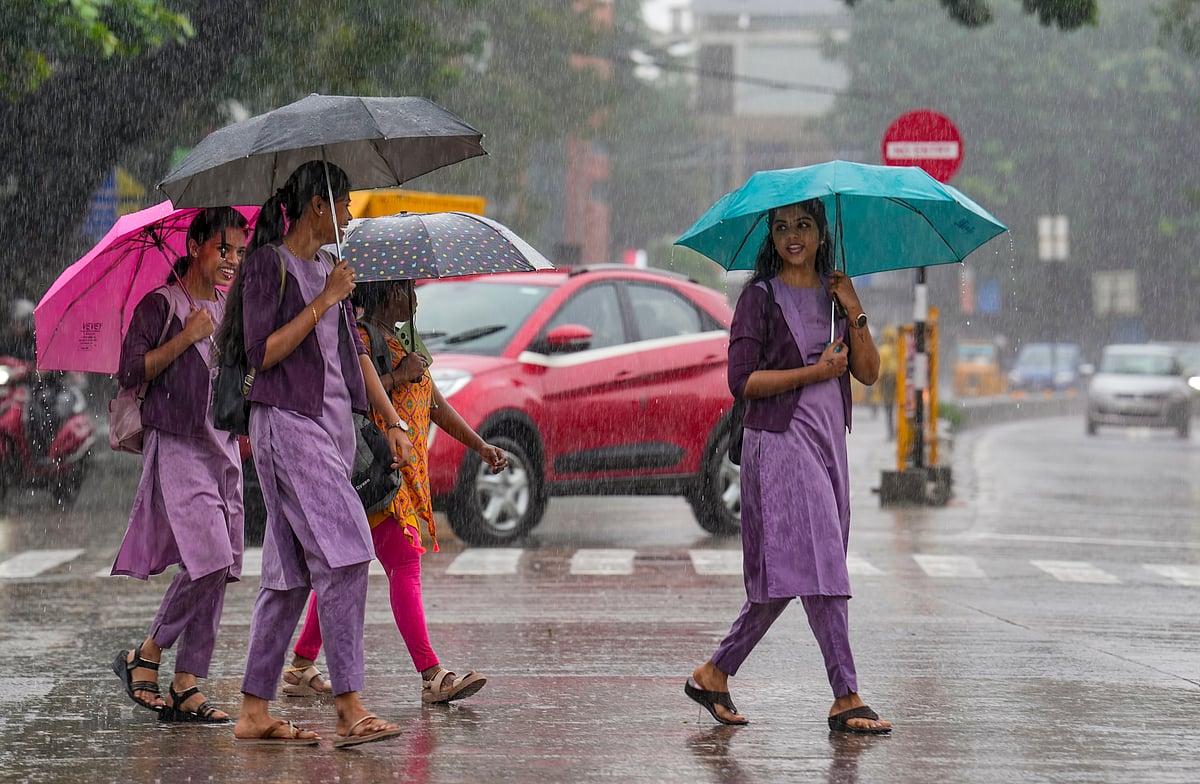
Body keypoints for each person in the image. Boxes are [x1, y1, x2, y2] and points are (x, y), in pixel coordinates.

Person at [217, 160, 412, 747]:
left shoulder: (331, 268)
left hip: (328, 435)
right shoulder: (266, 266)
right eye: (345, 204)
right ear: (317, 206)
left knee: (289, 575)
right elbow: (261, 353)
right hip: (288, 428)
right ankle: (350, 708)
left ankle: (254, 711)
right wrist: (324, 300)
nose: (350, 216)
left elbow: (351, 357)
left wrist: (393, 421)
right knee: (348, 554)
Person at [685, 199, 892, 735]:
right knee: (823, 566)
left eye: (803, 225)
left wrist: (855, 308)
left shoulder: (835, 296)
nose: (792, 236)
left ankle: (715, 672)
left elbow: (868, 373)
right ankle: (846, 695)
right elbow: (743, 383)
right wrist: (812, 371)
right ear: (771, 237)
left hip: (829, 447)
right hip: (778, 443)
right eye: (781, 228)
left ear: (822, 233)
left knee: (786, 577)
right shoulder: (758, 298)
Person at [279, 278, 506, 704]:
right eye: (404, 290)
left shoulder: (405, 342)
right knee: (404, 564)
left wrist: (480, 445)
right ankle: (431, 674)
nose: (413, 298)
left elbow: (435, 405)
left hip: (402, 475)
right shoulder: (361, 337)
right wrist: (398, 375)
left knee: (345, 569)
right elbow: (350, 394)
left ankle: (302, 664)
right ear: (383, 294)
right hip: (377, 469)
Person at [111, 207, 250, 723]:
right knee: (209, 559)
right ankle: (146, 654)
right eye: (223, 249)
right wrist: (186, 337)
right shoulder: (161, 306)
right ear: (195, 246)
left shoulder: (228, 306)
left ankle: (187, 682)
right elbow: (129, 370)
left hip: (223, 447)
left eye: (239, 251)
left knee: (220, 568)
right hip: (178, 445)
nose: (232, 260)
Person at [876, 325, 898, 440]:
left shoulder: (884, 350)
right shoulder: (898, 348)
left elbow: (881, 368)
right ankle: (896, 430)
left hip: (887, 380)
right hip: (898, 379)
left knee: (888, 406)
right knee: (898, 406)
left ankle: (891, 431)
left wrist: (878, 381)